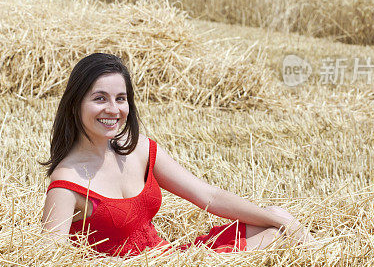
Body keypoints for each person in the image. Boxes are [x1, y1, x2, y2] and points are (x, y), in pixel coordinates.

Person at [41, 53, 316, 256]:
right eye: (99, 98)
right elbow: (53, 266)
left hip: (175, 265)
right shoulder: (67, 181)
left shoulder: (139, 149)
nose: (113, 109)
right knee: (274, 236)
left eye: (121, 98)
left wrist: (278, 220)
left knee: (277, 218)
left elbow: (209, 197)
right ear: (75, 103)